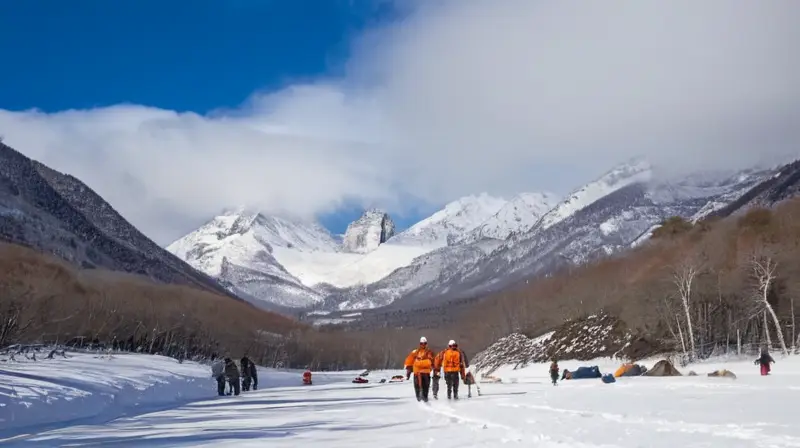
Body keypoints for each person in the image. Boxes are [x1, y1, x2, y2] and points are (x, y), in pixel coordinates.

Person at [404, 336, 435, 402]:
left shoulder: (430, 352)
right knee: (417, 389)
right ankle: (420, 402)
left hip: (426, 373)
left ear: (426, 344)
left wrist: (435, 370)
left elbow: (434, 362)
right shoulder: (415, 352)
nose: (423, 345)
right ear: (420, 344)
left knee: (425, 389)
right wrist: (408, 373)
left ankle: (425, 401)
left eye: (424, 343)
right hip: (417, 373)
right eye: (422, 343)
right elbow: (409, 362)